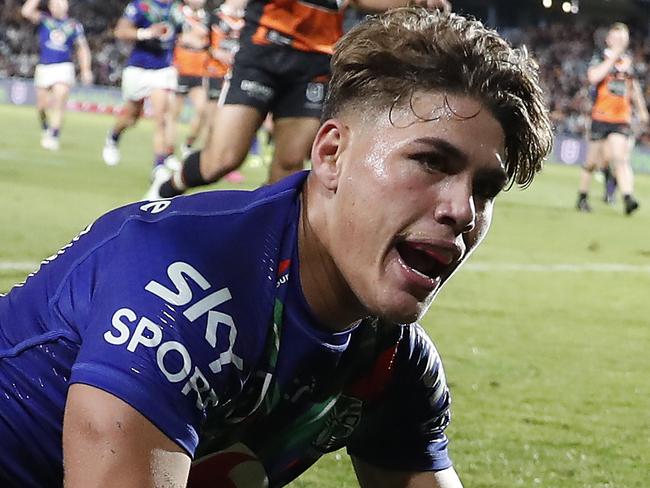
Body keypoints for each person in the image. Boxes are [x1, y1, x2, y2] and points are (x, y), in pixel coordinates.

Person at [0, 8, 552, 488]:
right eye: (431, 161)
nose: (463, 211)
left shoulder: (386, 362)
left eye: (486, 188)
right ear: (331, 154)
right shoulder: (186, 285)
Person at [147, 0, 451, 199]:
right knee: (223, 159)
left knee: (291, 162)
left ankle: (263, 247)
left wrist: (416, 2)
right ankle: (166, 189)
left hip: (314, 61)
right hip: (264, 48)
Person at [101, 0, 184, 177]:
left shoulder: (177, 8)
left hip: (163, 69)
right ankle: (113, 136)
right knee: (131, 117)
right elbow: (120, 31)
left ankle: (159, 165)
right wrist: (146, 33)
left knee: (162, 116)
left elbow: (182, 34)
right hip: (139, 68)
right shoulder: (141, 5)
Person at [576, 22, 649, 215]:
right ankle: (582, 197)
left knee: (620, 157)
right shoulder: (600, 57)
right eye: (616, 38)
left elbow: (633, 89)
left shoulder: (629, 63)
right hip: (600, 116)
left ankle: (627, 197)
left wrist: (642, 110)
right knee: (592, 162)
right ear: (608, 39)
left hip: (621, 118)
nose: (620, 42)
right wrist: (613, 58)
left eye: (623, 39)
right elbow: (593, 77)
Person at [21, 0, 92, 151]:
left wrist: (86, 69)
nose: (57, 6)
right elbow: (26, 12)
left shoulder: (74, 25)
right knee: (41, 105)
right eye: (54, 3)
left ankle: (54, 134)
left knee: (60, 98)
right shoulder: (44, 20)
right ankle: (46, 127)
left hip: (64, 67)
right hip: (44, 67)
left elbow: (82, 48)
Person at [172, 0, 210, 159]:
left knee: (203, 111)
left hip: (199, 70)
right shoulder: (177, 13)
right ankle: (168, 153)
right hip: (179, 68)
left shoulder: (208, 17)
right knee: (173, 114)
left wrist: (196, 40)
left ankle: (188, 145)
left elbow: (209, 40)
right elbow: (173, 35)